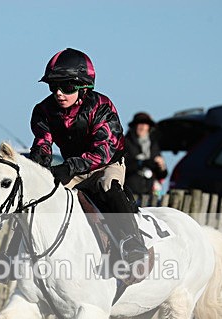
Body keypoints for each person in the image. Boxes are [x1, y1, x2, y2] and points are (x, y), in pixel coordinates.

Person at [29, 48, 149, 268]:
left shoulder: (102, 106)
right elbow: (42, 144)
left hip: (107, 163)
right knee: (39, 194)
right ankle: (15, 252)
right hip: (73, 167)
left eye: (67, 87)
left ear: (84, 87)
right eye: (53, 86)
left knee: (107, 185)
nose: (58, 93)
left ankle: (134, 243)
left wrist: (68, 167)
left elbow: (104, 151)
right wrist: (40, 165)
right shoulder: (43, 110)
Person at [124, 112, 168, 195]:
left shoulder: (153, 145)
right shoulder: (125, 143)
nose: (142, 127)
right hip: (130, 191)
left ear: (149, 127)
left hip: (150, 192)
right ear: (134, 126)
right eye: (140, 123)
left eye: (145, 124)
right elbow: (124, 166)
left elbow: (162, 175)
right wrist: (143, 163)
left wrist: (162, 167)